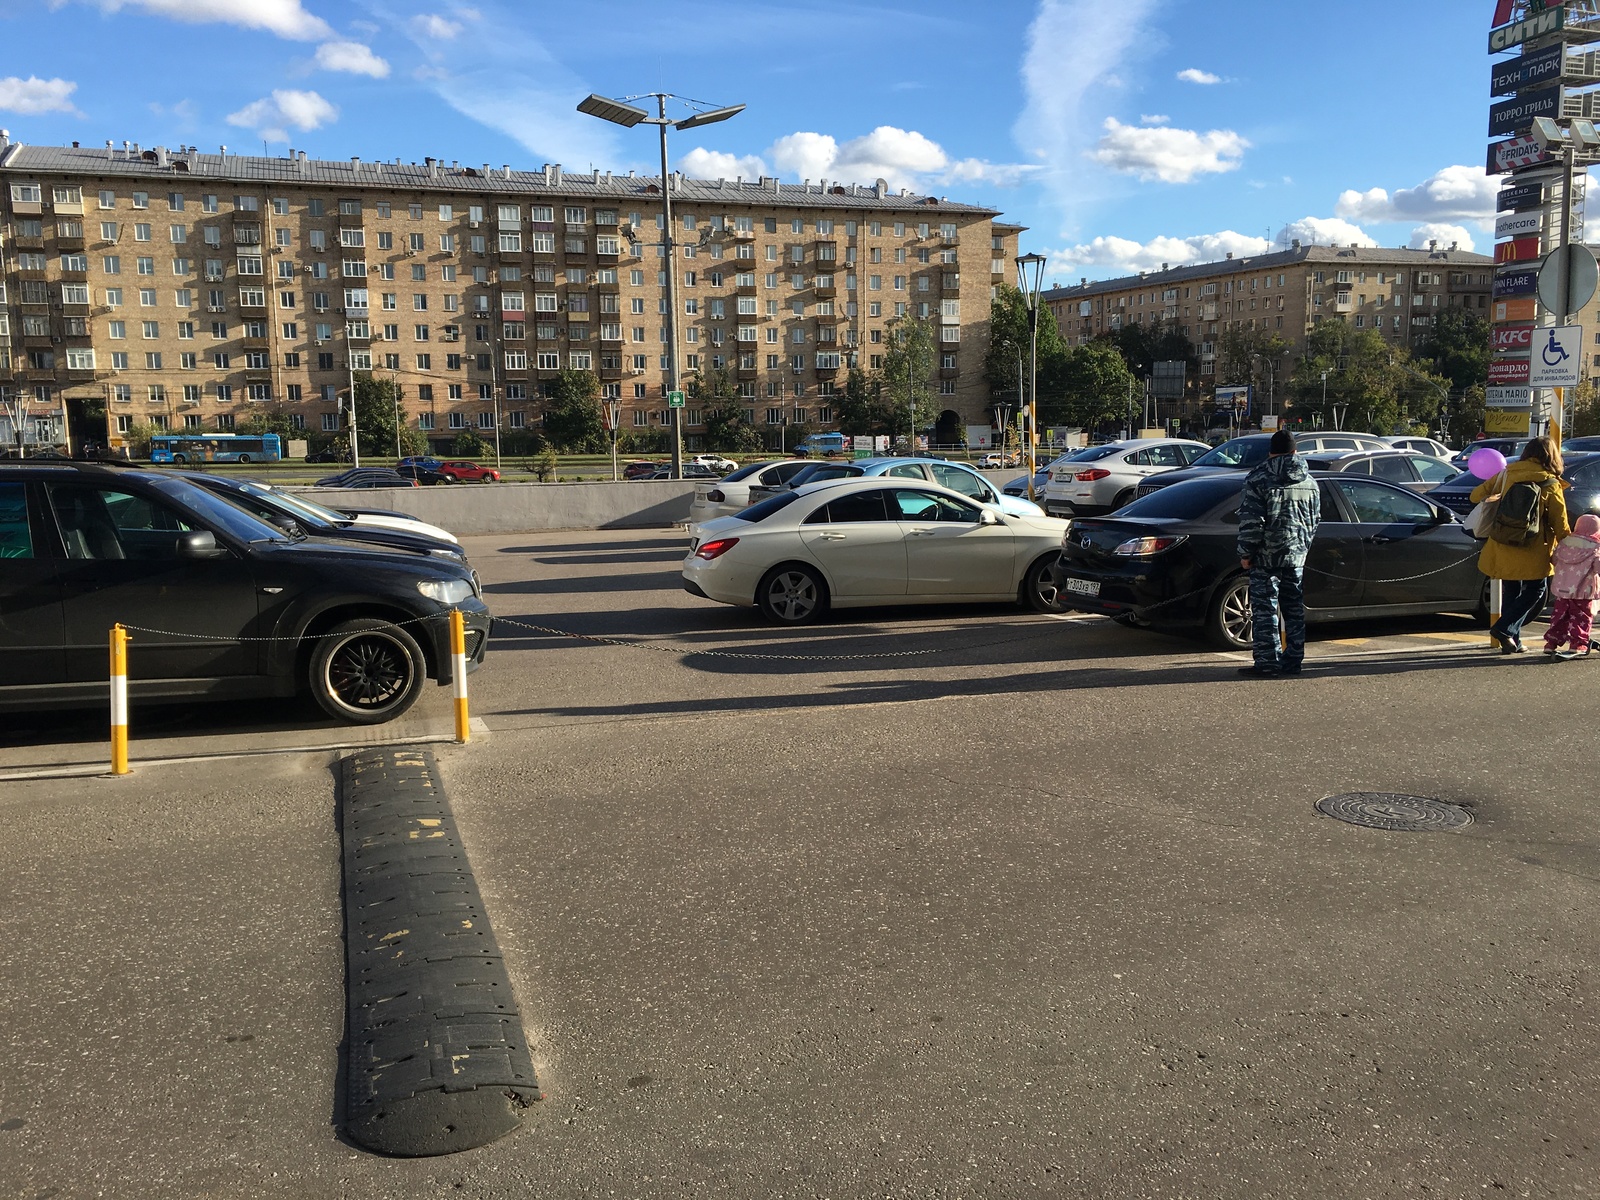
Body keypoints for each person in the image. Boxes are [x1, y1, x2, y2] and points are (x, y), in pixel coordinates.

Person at [1471, 436, 1570, 654]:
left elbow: (1475, 495)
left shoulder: (1507, 474)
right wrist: (1571, 546)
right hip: (1535, 547)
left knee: (1511, 590)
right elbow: (1559, 522)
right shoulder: (1550, 483)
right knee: (1537, 590)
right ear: (1552, 456)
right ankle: (1504, 629)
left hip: (1504, 542)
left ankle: (1511, 640)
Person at [1235, 429, 1321, 677]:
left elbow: (1253, 521)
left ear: (1270, 452)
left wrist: (1246, 553)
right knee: (1293, 609)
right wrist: (1302, 547)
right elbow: (1315, 520)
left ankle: (1267, 662)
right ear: (1295, 451)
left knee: (1264, 611)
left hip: (1266, 556)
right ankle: (1293, 661)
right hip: (1296, 556)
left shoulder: (1258, 478)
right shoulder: (1310, 481)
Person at [1543, 511, 1600, 660]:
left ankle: (1551, 643)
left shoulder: (1565, 543)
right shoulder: (1595, 546)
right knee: (1580, 617)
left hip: (1562, 588)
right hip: (1583, 590)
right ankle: (1578, 643)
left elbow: (1554, 560)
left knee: (1559, 616)